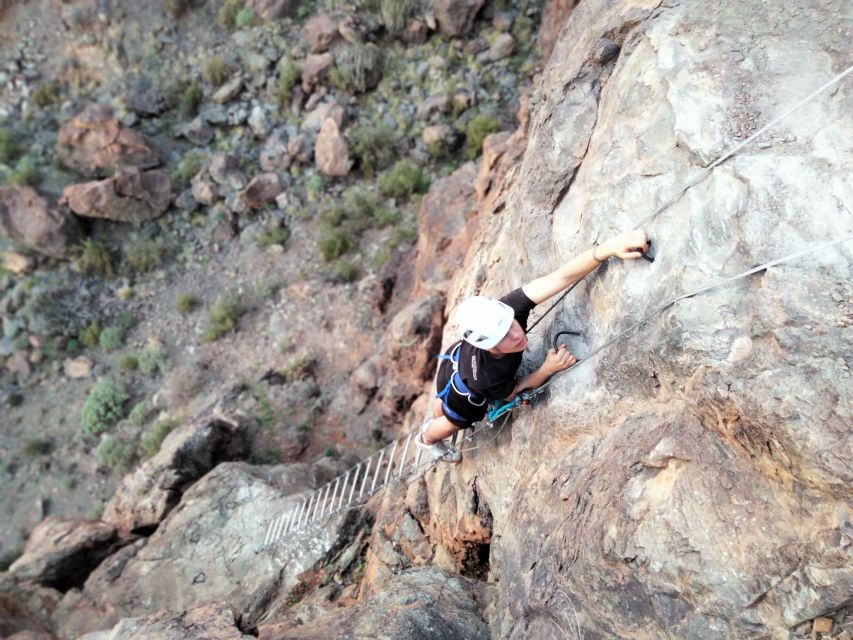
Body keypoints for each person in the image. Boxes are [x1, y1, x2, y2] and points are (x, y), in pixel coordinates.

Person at [415, 229, 650, 462]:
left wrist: (610, 248)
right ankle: (427, 439)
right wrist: (548, 368)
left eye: (511, 324)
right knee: (452, 422)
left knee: (443, 400)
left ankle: (439, 408)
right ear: (488, 346)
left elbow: (559, 278)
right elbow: (514, 393)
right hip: (467, 393)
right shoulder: (488, 377)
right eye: (503, 337)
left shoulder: (509, 310)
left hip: (454, 365)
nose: (517, 334)